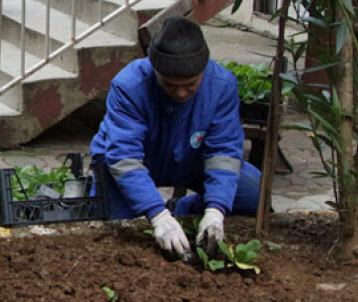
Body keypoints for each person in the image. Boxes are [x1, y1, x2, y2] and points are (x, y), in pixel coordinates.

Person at [90, 16, 262, 259]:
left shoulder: (221, 85)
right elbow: (124, 157)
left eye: (191, 84)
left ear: (204, 70)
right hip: (130, 165)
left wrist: (216, 210)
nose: (181, 93)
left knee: (253, 193)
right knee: (120, 234)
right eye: (170, 85)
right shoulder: (128, 85)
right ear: (155, 71)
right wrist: (156, 215)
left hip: (190, 158)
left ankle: (181, 209)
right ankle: (163, 212)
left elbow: (223, 151)